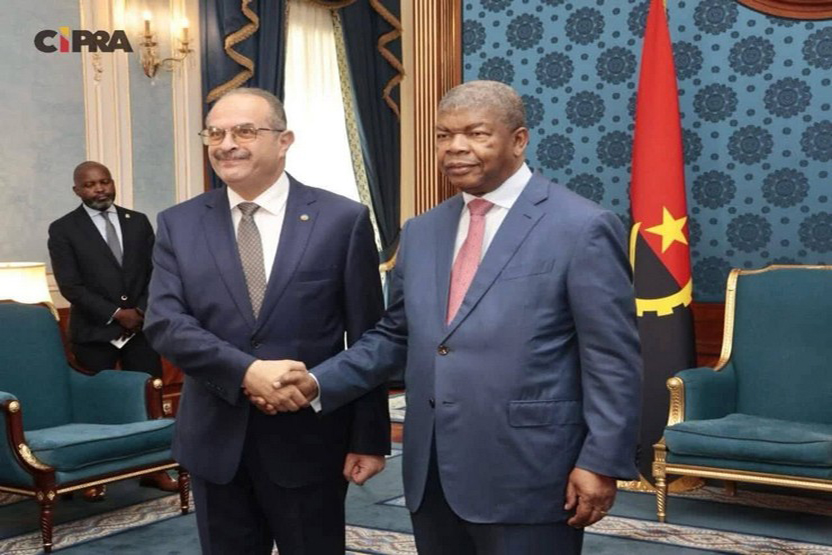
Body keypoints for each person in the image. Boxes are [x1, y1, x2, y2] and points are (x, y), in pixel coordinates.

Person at [269, 80, 643, 554]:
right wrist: (317, 383)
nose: (455, 147)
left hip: (532, 471)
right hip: (432, 473)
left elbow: (612, 359)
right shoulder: (422, 231)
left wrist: (601, 460)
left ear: (519, 140)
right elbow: (395, 336)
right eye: (444, 135)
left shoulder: (581, 226)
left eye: (476, 133)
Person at [143, 87, 390, 555]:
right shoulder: (179, 223)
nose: (226, 144)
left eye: (244, 131)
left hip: (311, 442)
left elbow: (369, 337)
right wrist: (247, 372)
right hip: (215, 441)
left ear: (283, 140)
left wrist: (369, 438)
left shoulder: (342, 220)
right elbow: (166, 323)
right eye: (215, 133)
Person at [48, 161, 179, 497]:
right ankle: (92, 478)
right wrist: (116, 313)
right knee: (95, 404)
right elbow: (70, 286)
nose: (99, 189)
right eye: (90, 185)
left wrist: (141, 311)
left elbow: (156, 271)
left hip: (141, 329)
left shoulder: (138, 222)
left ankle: (155, 468)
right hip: (95, 331)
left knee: (149, 398)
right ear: (77, 190)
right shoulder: (63, 229)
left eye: (104, 182)